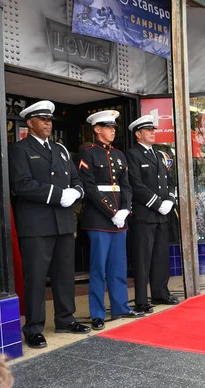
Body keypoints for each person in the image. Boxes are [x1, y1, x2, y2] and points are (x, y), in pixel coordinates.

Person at [8, 100, 90, 349]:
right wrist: (57, 195)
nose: (47, 123)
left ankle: (65, 318)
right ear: (30, 122)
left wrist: (76, 193)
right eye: (42, 119)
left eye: (50, 119)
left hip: (63, 223)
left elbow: (77, 180)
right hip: (36, 225)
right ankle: (33, 327)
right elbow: (21, 185)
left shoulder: (61, 150)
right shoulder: (19, 150)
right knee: (36, 278)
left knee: (64, 275)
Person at [78, 110, 144, 330]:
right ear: (97, 129)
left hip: (120, 218)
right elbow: (89, 187)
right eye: (108, 127)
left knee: (118, 266)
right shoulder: (87, 152)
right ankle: (97, 313)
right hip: (99, 218)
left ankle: (120, 307)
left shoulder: (119, 155)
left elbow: (126, 185)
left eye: (114, 127)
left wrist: (125, 210)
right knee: (98, 269)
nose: (113, 131)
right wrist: (111, 212)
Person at [126, 115, 179, 313]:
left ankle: (160, 292)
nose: (152, 132)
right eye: (148, 130)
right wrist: (157, 203)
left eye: (153, 129)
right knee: (142, 258)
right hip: (145, 215)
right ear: (138, 133)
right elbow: (136, 185)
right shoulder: (132, 155)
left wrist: (170, 200)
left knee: (160, 256)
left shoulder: (159, 155)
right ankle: (141, 300)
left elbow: (170, 180)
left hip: (162, 215)